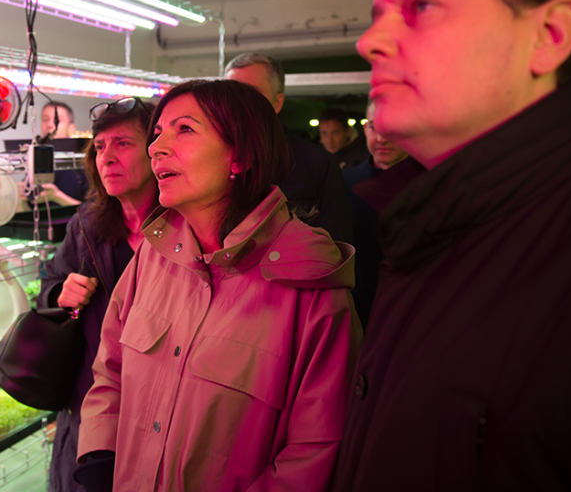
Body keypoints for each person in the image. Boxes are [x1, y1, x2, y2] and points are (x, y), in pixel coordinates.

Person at [331, 0, 571, 490]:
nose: (369, 42)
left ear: (550, 34)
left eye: (423, 6)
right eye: (379, 13)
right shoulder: (428, 219)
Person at [74, 79, 361, 492]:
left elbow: (316, 448)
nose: (157, 147)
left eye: (184, 130)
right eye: (157, 134)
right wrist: (101, 458)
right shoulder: (153, 256)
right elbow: (111, 368)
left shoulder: (312, 285)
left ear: (240, 156)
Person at [38, 97, 159, 492]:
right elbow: (49, 287)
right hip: (91, 403)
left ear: (156, 151)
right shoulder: (87, 224)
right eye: (101, 147)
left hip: (159, 409)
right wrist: (61, 292)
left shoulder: (186, 226)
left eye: (123, 143)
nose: (107, 156)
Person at [226, 53, 353, 244]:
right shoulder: (211, 158)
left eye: (252, 94)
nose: (240, 104)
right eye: (232, 94)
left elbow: (337, 244)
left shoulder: (318, 163)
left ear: (277, 103)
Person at [342, 100, 407, 331]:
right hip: (357, 312)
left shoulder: (431, 182)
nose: (381, 138)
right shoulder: (344, 183)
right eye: (374, 127)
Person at [32, 101, 87, 207]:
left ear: (71, 127)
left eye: (57, 120)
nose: (50, 125)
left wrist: (57, 196)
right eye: (45, 119)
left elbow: (95, 213)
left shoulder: (83, 162)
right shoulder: (34, 161)